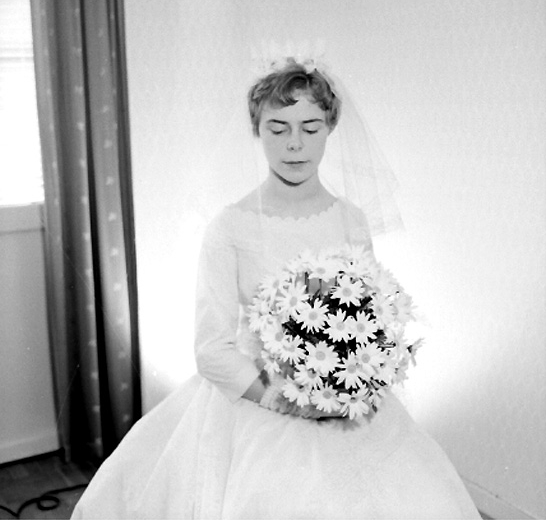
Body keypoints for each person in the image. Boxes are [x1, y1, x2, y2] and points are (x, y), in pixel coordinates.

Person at [72, 51, 481, 519]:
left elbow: (366, 316)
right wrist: (280, 398)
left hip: (342, 398)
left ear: (330, 127)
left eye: (310, 128)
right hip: (257, 402)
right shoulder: (230, 227)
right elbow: (211, 349)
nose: (295, 144)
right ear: (257, 129)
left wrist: (348, 385)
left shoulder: (351, 219)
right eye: (278, 128)